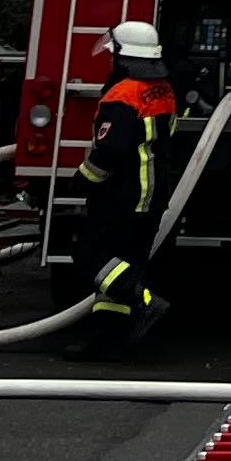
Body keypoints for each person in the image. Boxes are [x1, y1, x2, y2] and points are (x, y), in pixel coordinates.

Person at [65, 20, 180, 359]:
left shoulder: (121, 96)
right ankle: (106, 340)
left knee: (89, 256)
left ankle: (144, 301)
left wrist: (83, 179)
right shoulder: (162, 89)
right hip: (152, 196)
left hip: (123, 196)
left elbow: (111, 151)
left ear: (123, 57)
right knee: (122, 265)